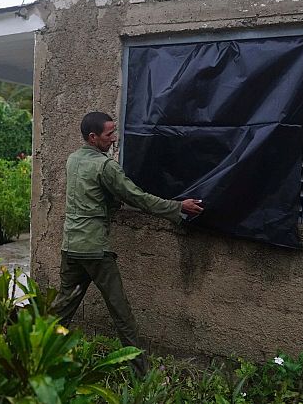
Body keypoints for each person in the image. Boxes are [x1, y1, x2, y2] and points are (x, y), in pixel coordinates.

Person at [56, 111, 204, 375]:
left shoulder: (73, 159)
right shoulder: (105, 166)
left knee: (60, 310)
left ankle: (37, 358)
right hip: (95, 250)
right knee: (122, 314)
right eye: (109, 134)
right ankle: (140, 375)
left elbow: (97, 195)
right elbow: (138, 198)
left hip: (71, 246)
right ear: (93, 137)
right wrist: (178, 206)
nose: (114, 139)